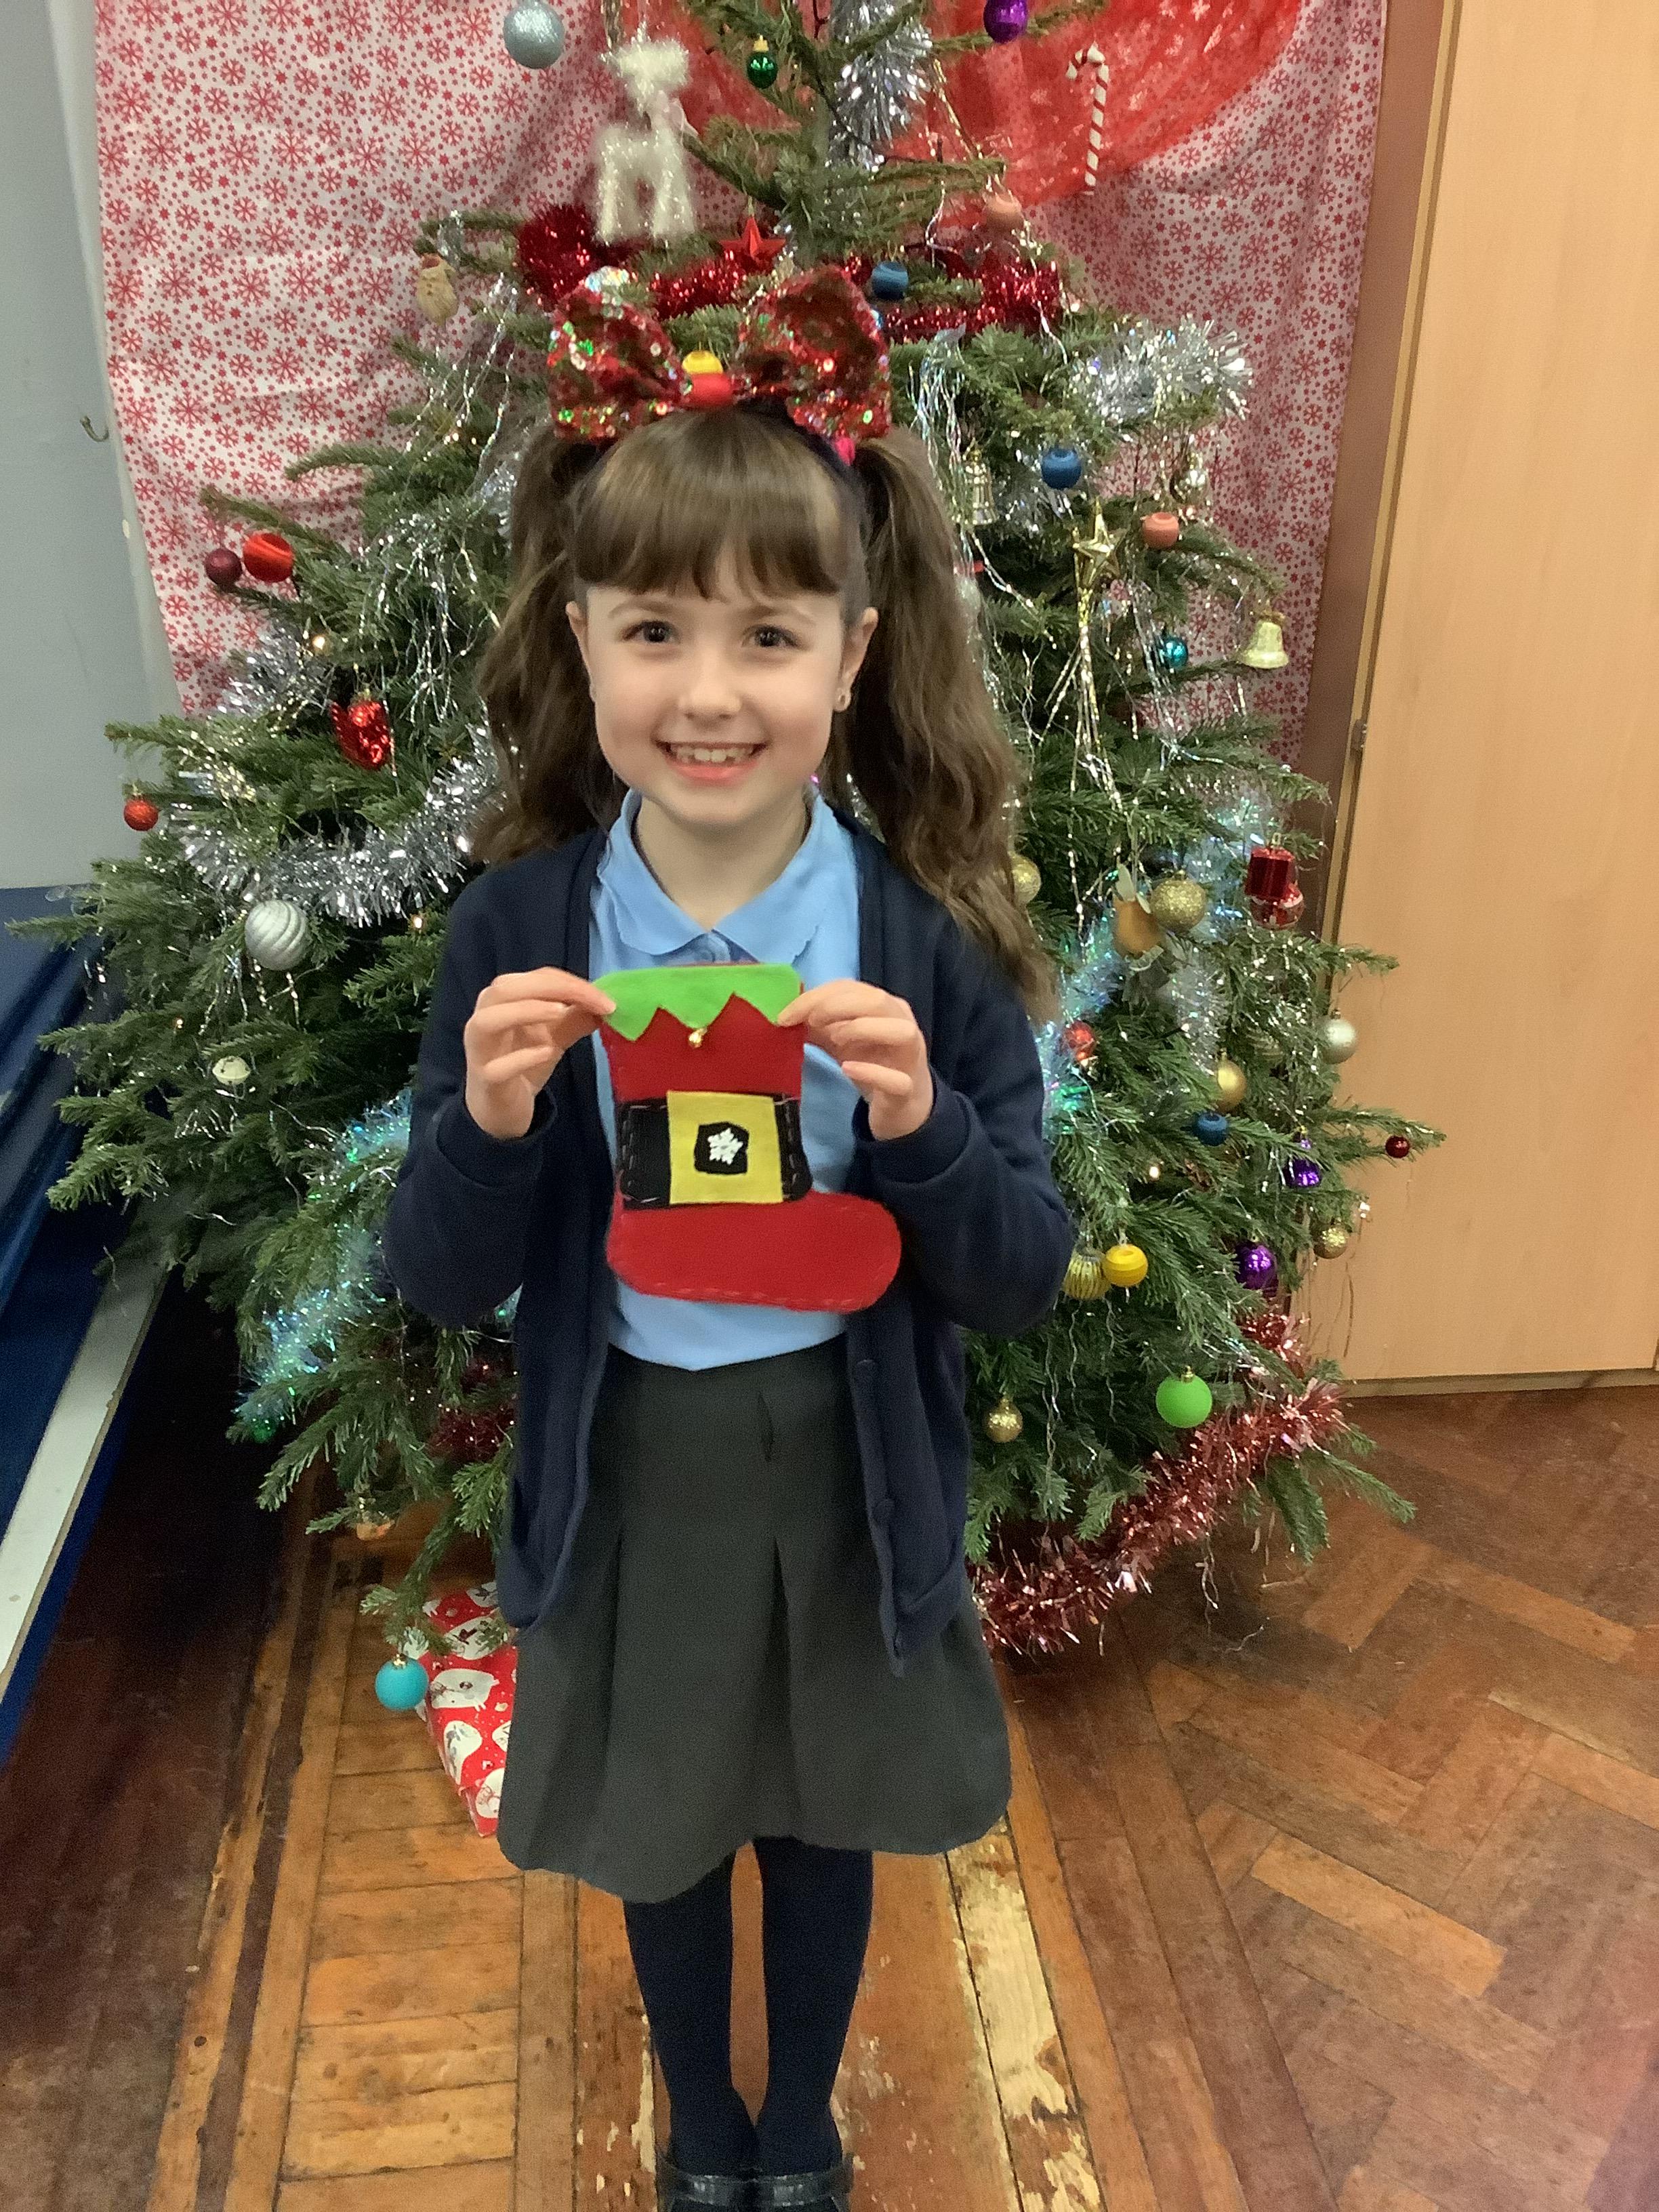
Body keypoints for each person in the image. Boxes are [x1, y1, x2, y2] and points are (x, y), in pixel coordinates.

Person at [380, 268, 1074, 2212]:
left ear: (854, 654)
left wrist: (927, 1134)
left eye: (768, 633)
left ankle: (803, 2130)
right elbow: (436, 1276)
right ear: (581, 640)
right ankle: (701, 2130)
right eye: (656, 629)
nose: (707, 693)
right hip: (638, 1467)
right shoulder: (520, 931)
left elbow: (1022, 1270)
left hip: (853, 1463)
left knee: (824, 1816)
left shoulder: (922, 939)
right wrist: (492, 1128)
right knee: (665, 1823)